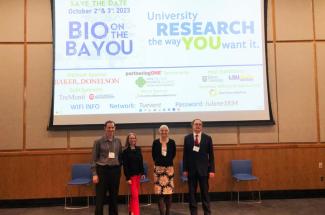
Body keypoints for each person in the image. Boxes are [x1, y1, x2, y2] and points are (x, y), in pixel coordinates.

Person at [183, 119, 215, 215]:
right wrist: (184, 169)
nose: (198, 126)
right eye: (196, 124)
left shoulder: (207, 138)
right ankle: (193, 213)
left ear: (202, 126)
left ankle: (207, 212)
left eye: (199, 124)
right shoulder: (187, 138)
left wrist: (212, 170)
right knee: (192, 194)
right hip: (191, 171)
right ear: (192, 126)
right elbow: (185, 155)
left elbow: (211, 156)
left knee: (205, 194)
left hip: (204, 171)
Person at [91, 120, 123, 215]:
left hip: (115, 171)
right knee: (100, 197)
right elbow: (93, 159)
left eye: (112, 127)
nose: (111, 129)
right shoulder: (98, 142)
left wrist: (118, 167)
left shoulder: (118, 141)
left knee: (114, 196)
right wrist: (94, 174)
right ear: (104, 128)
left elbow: (120, 156)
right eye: (109, 127)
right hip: (102, 171)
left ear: (115, 128)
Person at [152, 125, 176, 215]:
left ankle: (167, 212)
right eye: (162, 130)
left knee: (168, 192)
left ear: (168, 132)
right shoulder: (155, 142)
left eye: (165, 130)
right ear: (159, 132)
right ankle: (162, 213)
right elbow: (153, 155)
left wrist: (167, 163)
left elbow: (173, 154)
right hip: (158, 170)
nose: (164, 132)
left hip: (169, 170)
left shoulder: (172, 142)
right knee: (159, 193)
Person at [122, 133, 145, 215]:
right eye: (130, 138)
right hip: (131, 177)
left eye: (134, 138)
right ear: (128, 140)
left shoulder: (138, 149)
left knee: (134, 195)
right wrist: (127, 178)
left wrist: (143, 173)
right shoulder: (125, 151)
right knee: (135, 196)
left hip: (138, 175)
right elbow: (125, 166)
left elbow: (141, 162)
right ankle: (136, 213)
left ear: (136, 139)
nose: (132, 140)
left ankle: (131, 211)